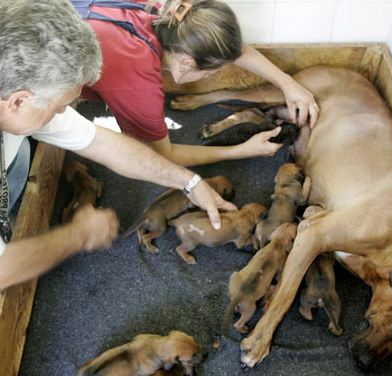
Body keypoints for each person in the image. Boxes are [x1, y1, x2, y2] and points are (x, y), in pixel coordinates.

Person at [0, 0, 236, 290]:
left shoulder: (24, 95)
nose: (64, 112)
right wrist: (77, 234)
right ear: (19, 101)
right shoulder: (30, 100)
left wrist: (191, 183)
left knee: (21, 155)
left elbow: (101, 142)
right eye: (61, 105)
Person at [80, 0, 320, 166]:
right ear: (186, 62)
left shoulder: (173, 12)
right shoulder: (138, 80)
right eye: (210, 73)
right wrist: (240, 151)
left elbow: (231, 49)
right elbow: (161, 154)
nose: (212, 76)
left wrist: (288, 83)